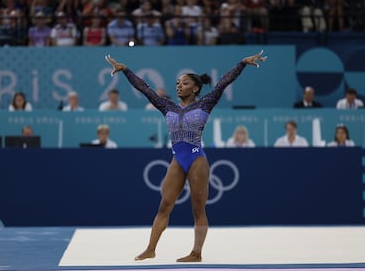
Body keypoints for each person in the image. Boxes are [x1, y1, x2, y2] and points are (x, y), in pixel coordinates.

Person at [105, 50, 267, 262]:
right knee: (165, 204)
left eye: (184, 83)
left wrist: (242, 64)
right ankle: (151, 248)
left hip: (195, 157)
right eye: (178, 83)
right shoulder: (166, 106)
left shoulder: (205, 103)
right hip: (177, 158)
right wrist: (125, 70)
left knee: (197, 208)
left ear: (196, 88)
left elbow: (223, 84)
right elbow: (145, 89)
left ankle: (196, 253)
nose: (179, 85)